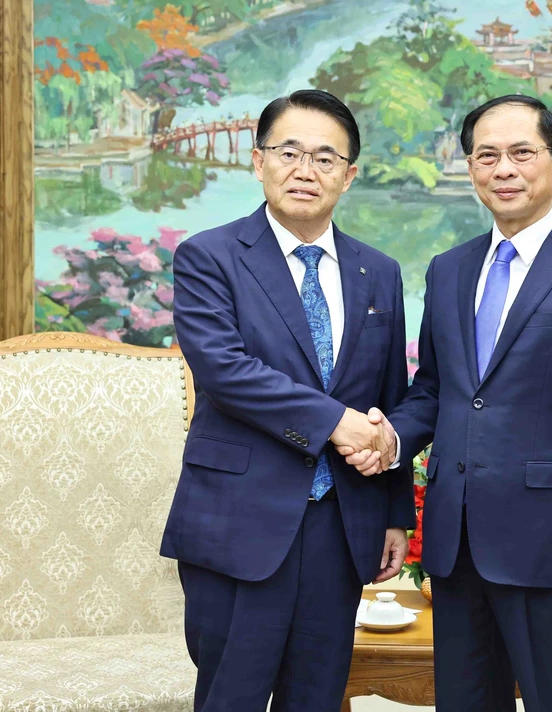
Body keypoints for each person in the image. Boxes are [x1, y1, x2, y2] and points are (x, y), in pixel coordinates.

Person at [343, 94, 552, 711]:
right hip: (457, 549)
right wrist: (389, 436)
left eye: (521, 153)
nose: (503, 169)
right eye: (487, 155)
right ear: (469, 168)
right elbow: (435, 388)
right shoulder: (449, 270)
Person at [161, 89, 413, 712]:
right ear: (257, 161)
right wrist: (336, 423)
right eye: (290, 152)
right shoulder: (210, 256)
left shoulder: (377, 270)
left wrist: (393, 513)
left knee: (319, 697)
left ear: (349, 175)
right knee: (231, 698)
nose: (307, 171)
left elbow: (388, 395)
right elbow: (225, 370)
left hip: (341, 524)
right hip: (239, 521)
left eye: (327, 158)